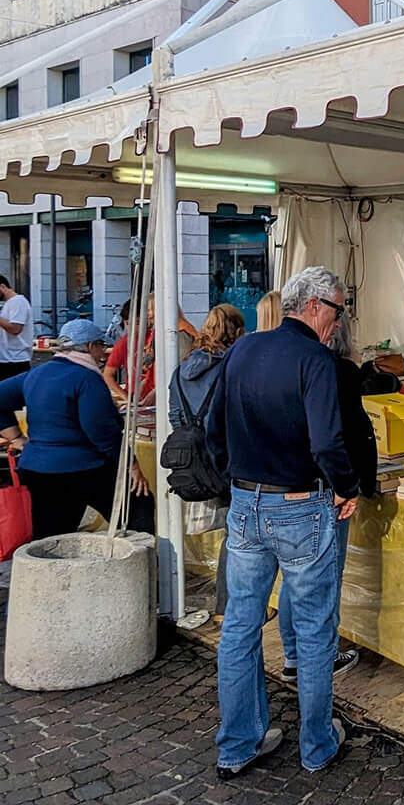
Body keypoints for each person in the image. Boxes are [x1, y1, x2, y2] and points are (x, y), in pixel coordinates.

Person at [206, 266, 360, 778]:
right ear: (315, 305)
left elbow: (212, 427)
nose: (339, 321)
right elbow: (326, 441)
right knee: (316, 632)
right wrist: (347, 486)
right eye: (337, 310)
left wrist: (237, 476)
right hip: (300, 504)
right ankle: (317, 745)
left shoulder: (244, 349)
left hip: (247, 503)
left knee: (242, 627)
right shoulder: (315, 358)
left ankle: (238, 744)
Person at [279, 314, 377, 682]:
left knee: (296, 577)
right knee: (322, 579)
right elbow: (346, 434)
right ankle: (317, 656)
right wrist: (350, 485)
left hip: (289, 484)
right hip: (326, 489)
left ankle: (293, 654)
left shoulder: (288, 364)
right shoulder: (338, 371)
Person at [0, 319, 153, 538]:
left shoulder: (36, 373)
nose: (104, 353)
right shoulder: (87, 378)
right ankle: (141, 563)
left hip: (37, 467)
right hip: (81, 467)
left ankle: (48, 571)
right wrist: (132, 464)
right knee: (138, 506)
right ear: (90, 347)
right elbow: (101, 432)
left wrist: (16, 438)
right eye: (101, 346)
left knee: (50, 536)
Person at [169, 303, 245, 620]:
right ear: (237, 333)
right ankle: (227, 607)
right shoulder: (232, 368)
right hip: (226, 461)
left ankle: (218, 604)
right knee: (237, 536)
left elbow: (175, 416)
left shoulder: (180, 370)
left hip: (192, 462)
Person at [103, 292, 198, 407]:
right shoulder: (158, 333)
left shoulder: (179, 333)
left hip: (173, 396)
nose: (148, 315)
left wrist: (155, 391)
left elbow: (177, 368)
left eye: (149, 310)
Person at [0, 274, 34, 381]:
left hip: (15, 361)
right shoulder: (9, 303)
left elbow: (15, 329)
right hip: (7, 359)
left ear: (2, 287)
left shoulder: (18, 301)